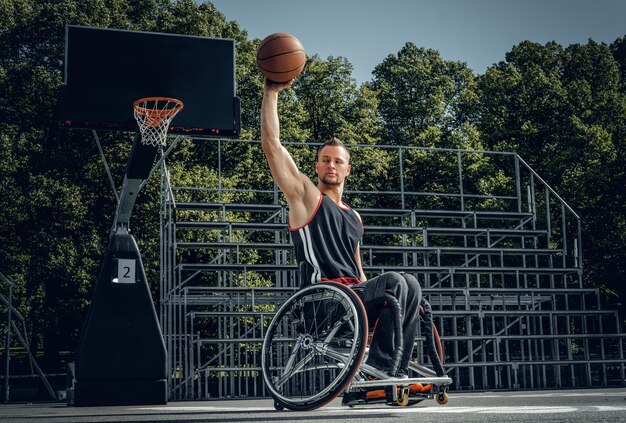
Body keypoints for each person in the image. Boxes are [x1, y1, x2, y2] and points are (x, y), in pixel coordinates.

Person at [261, 78, 423, 378]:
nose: (331, 165)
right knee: (396, 281)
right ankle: (378, 371)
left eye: (338, 161)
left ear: (348, 169)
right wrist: (271, 92)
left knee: (410, 284)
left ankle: (392, 372)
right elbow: (273, 148)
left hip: (353, 297)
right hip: (321, 300)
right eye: (325, 160)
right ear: (317, 167)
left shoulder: (354, 217)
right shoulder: (308, 199)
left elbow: (359, 272)